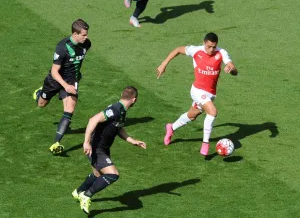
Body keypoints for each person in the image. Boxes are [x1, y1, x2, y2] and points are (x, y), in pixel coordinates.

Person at [156, 32, 238, 156]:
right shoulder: (196, 51)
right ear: (204, 43)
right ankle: (205, 143)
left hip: (210, 94)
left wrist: (231, 69)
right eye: (209, 46)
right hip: (197, 90)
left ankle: (171, 127)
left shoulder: (221, 53)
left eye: (214, 47)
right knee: (212, 112)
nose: (211, 50)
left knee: (192, 115)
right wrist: (163, 64)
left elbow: (234, 70)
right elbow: (178, 50)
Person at [72, 86, 146, 214]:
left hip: (103, 148)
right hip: (96, 148)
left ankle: (78, 192)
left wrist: (132, 140)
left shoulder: (122, 111)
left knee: (97, 175)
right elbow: (93, 120)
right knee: (113, 174)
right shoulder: (115, 109)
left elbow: (118, 128)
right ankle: (86, 195)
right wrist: (86, 142)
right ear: (134, 100)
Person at [32, 19, 91, 155]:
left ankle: (56, 142)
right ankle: (40, 92)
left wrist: (72, 80)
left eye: (86, 34)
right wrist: (65, 85)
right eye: (83, 35)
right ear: (75, 34)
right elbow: (54, 71)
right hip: (55, 80)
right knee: (41, 104)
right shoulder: (62, 47)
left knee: (69, 110)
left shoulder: (86, 44)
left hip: (71, 80)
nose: (86, 37)